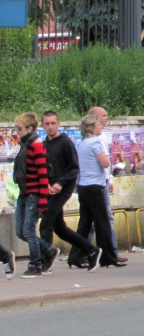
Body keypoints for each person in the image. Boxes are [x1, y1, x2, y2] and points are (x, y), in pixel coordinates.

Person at [40, 110, 100, 268]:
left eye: (53, 123)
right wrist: (46, 184)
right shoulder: (44, 144)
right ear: (42, 126)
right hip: (50, 190)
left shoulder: (65, 142)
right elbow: (44, 169)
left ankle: (45, 260)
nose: (50, 127)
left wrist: (60, 183)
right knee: (59, 228)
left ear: (58, 124)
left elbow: (74, 168)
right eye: (47, 124)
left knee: (45, 224)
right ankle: (91, 250)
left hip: (63, 189)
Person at [74, 112, 121, 269]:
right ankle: (107, 256)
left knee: (85, 223)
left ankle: (76, 255)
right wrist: (109, 160)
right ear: (92, 128)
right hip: (96, 186)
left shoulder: (82, 143)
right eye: (98, 125)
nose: (101, 127)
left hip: (84, 186)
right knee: (102, 223)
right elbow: (105, 163)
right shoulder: (95, 142)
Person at [13, 112, 55, 277]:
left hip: (34, 193)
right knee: (20, 231)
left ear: (30, 128)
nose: (17, 132)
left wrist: (43, 199)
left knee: (29, 230)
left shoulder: (36, 145)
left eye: (20, 129)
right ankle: (48, 250)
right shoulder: (25, 144)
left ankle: (36, 264)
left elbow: (43, 174)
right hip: (24, 193)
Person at [88, 105, 123, 261]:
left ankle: (86, 250)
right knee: (103, 218)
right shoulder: (93, 139)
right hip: (97, 183)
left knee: (93, 219)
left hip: (103, 181)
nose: (106, 118)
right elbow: (103, 162)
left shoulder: (101, 136)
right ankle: (112, 251)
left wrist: (109, 179)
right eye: (103, 115)